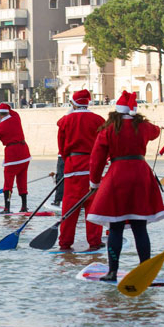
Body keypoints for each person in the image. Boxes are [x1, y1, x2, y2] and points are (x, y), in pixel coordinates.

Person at [86, 91, 164, 281]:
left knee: (115, 227)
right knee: (140, 227)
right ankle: (145, 270)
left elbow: (96, 160)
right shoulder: (144, 127)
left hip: (117, 175)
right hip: (141, 174)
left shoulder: (108, 129)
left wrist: (94, 183)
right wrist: (138, 117)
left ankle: (113, 271)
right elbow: (156, 131)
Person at [56, 88, 104, 251]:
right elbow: (104, 145)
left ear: (73, 103)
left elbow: (61, 148)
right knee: (93, 204)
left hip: (72, 166)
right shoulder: (98, 120)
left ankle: (65, 242)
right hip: (93, 165)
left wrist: (67, 160)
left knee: (70, 205)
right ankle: (94, 241)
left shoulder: (65, 120)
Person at [0, 103, 31, 213]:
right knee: (22, 181)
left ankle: (7, 208)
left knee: (8, 183)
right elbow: (11, 111)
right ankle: (24, 206)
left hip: (12, 155)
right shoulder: (16, 117)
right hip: (25, 154)